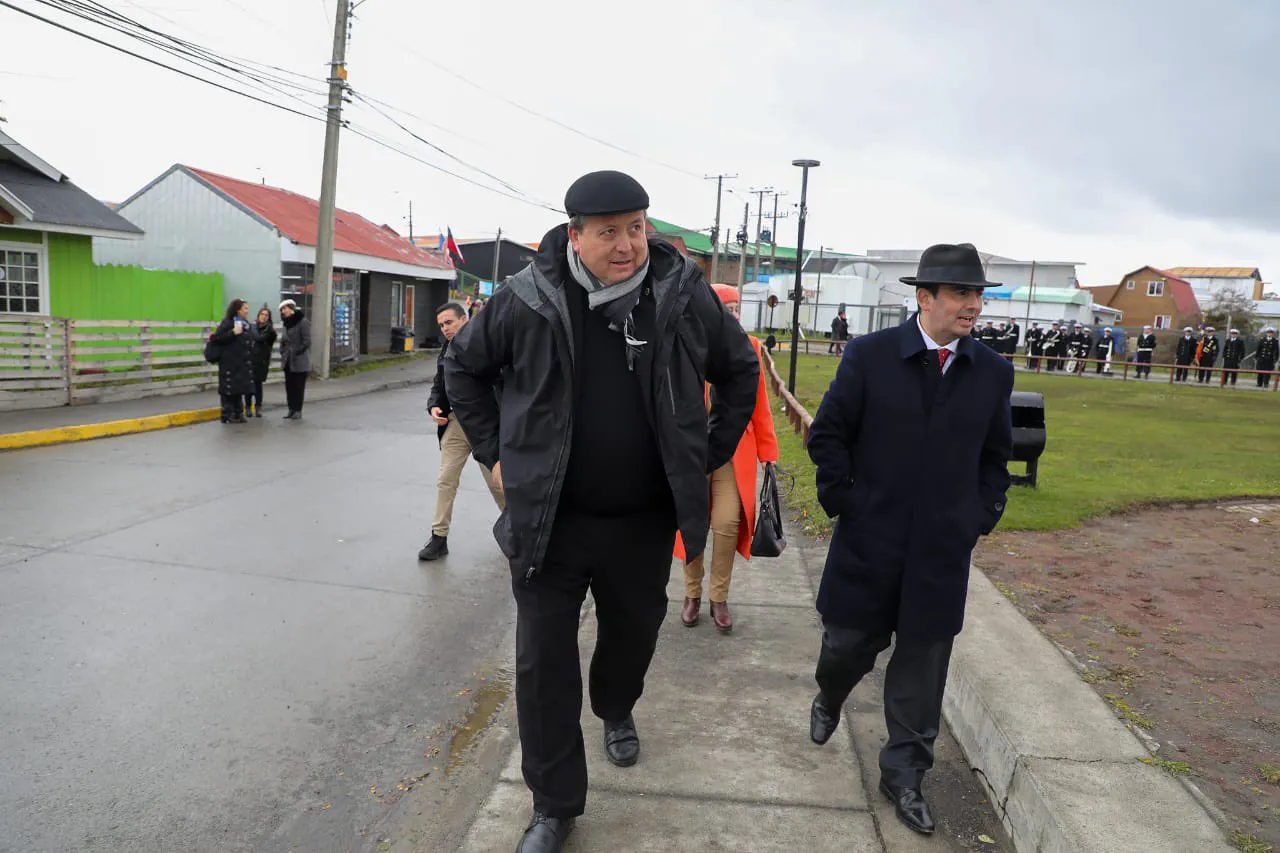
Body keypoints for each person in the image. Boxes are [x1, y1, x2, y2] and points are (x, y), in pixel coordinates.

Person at [443, 170, 759, 853]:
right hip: (548, 521)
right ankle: (554, 805)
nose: (627, 245)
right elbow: (463, 367)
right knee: (541, 663)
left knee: (632, 637)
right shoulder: (527, 299)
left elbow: (740, 368)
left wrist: (709, 452)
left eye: (636, 227)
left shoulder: (679, 295)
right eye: (610, 232)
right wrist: (494, 453)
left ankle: (616, 706)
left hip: (641, 520)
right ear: (576, 235)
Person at [805, 242, 1013, 837]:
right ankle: (829, 695)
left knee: (923, 669)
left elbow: (997, 456)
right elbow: (829, 434)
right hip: (870, 542)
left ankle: (905, 777)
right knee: (846, 645)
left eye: (978, 294)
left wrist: (979, 514)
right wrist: (845, 499)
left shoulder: (992, 371)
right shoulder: (870, 356)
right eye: (961, 294)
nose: (973, 305)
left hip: (940, 552)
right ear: (924, 298)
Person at [674, 283, 779, 633]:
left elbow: (759, 402)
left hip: (735, 451)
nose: (732, 314)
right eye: (725, 308)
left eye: (736, 308)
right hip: (691, 452)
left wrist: (769, 452)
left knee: (727, 522)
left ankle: (719, 597)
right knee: (692, 521)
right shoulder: (686, 344)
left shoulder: (749, 347)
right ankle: (692, 594)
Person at [418, 301, 506, 561]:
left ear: (464, 319)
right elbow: (439, 384)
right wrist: (434, 406)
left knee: (499, 483)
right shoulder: (446, 350)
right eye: (442, 325)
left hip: (484, 426)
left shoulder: (485, 346)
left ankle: (519, 531)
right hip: (455, 424)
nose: (445, 328)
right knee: (446, 480)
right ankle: (438, 537)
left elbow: (502, 383)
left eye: (449, 322)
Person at [209, 298, 254, 424]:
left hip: (241, 363)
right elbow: (216, 338)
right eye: (245, 308)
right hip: (229, 363)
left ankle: (238, 412)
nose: (247, 311)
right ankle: (227, 414)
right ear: (237, 310)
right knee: (228, 389)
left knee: (239, 389)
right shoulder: (228, 323)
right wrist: (232, 333)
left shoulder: (245, 324)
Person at [278, 299, 311, 419]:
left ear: (291, 308)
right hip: (288, 360)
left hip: (299, 360)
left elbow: (307, 341)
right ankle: (291, 409)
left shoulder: (303, 322)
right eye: (282, 309)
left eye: (285, 308)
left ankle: (298, 409)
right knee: (289, 386)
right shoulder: (286, 323)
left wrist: (297, 351)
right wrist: (283, 351)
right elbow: (283, 340)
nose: (283, 311)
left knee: (298, 386)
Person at [245, 306, 277, 417]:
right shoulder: (252, 327)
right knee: (249, 385)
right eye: (262, 314)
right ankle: (248, 407)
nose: (264, 317)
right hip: (250, 359)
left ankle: (258, 407)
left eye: (266, 315)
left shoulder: (270, 330)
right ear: (258, 315)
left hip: (261, 361)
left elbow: (258, 338)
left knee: (257, 384)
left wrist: (252, 327)